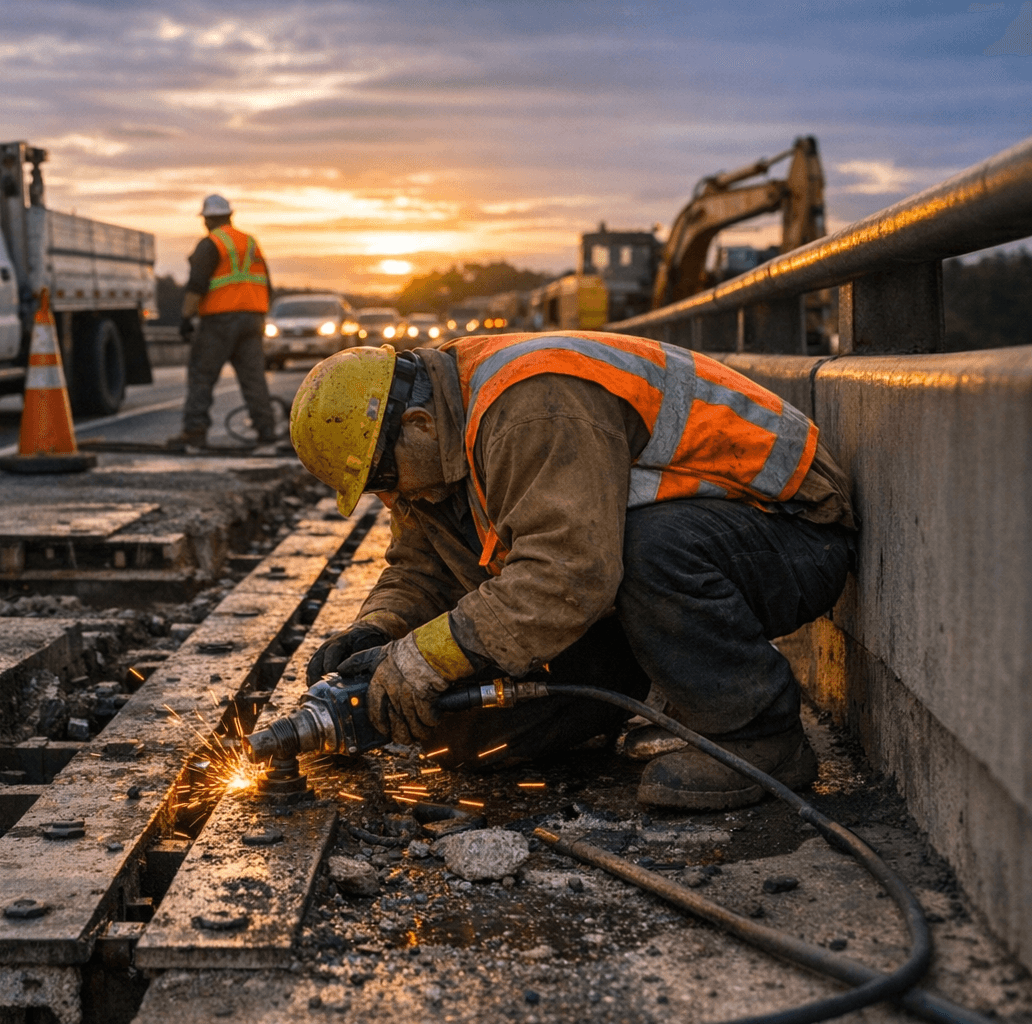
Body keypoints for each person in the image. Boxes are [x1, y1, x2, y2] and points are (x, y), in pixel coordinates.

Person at [291, 334, 856, 810]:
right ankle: (640, 696)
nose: (388, 498)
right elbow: (421, 569)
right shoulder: (432, 445)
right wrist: (378, 630)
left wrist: (425, 656)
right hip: (659, 571)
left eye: (382, 479)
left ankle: (759, 735)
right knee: (463, 729)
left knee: (641, 547)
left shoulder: (531, 404)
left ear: (417, 424)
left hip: (788, 534)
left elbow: (570, 574)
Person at [168, 194, 277, 450]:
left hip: (220, 320)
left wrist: (186, 317)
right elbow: (267, 284)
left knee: (202, 375)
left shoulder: (211, 244)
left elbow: (197, 285)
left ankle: (195, 431)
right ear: (229, 215)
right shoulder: (250, 242)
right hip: (253, 318)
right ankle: (267, 430)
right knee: (253, 378)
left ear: (208, 220)